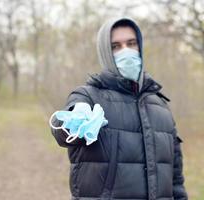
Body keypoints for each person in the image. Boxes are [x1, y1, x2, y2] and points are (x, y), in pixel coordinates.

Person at [50, 17, 188, 200]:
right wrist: (74, 119)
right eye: (116, 46)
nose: (126, 51)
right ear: (106, 52)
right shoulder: (89, 97)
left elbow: (176, 180)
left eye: (131, 43)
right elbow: (63, 132)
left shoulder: (161, 106)